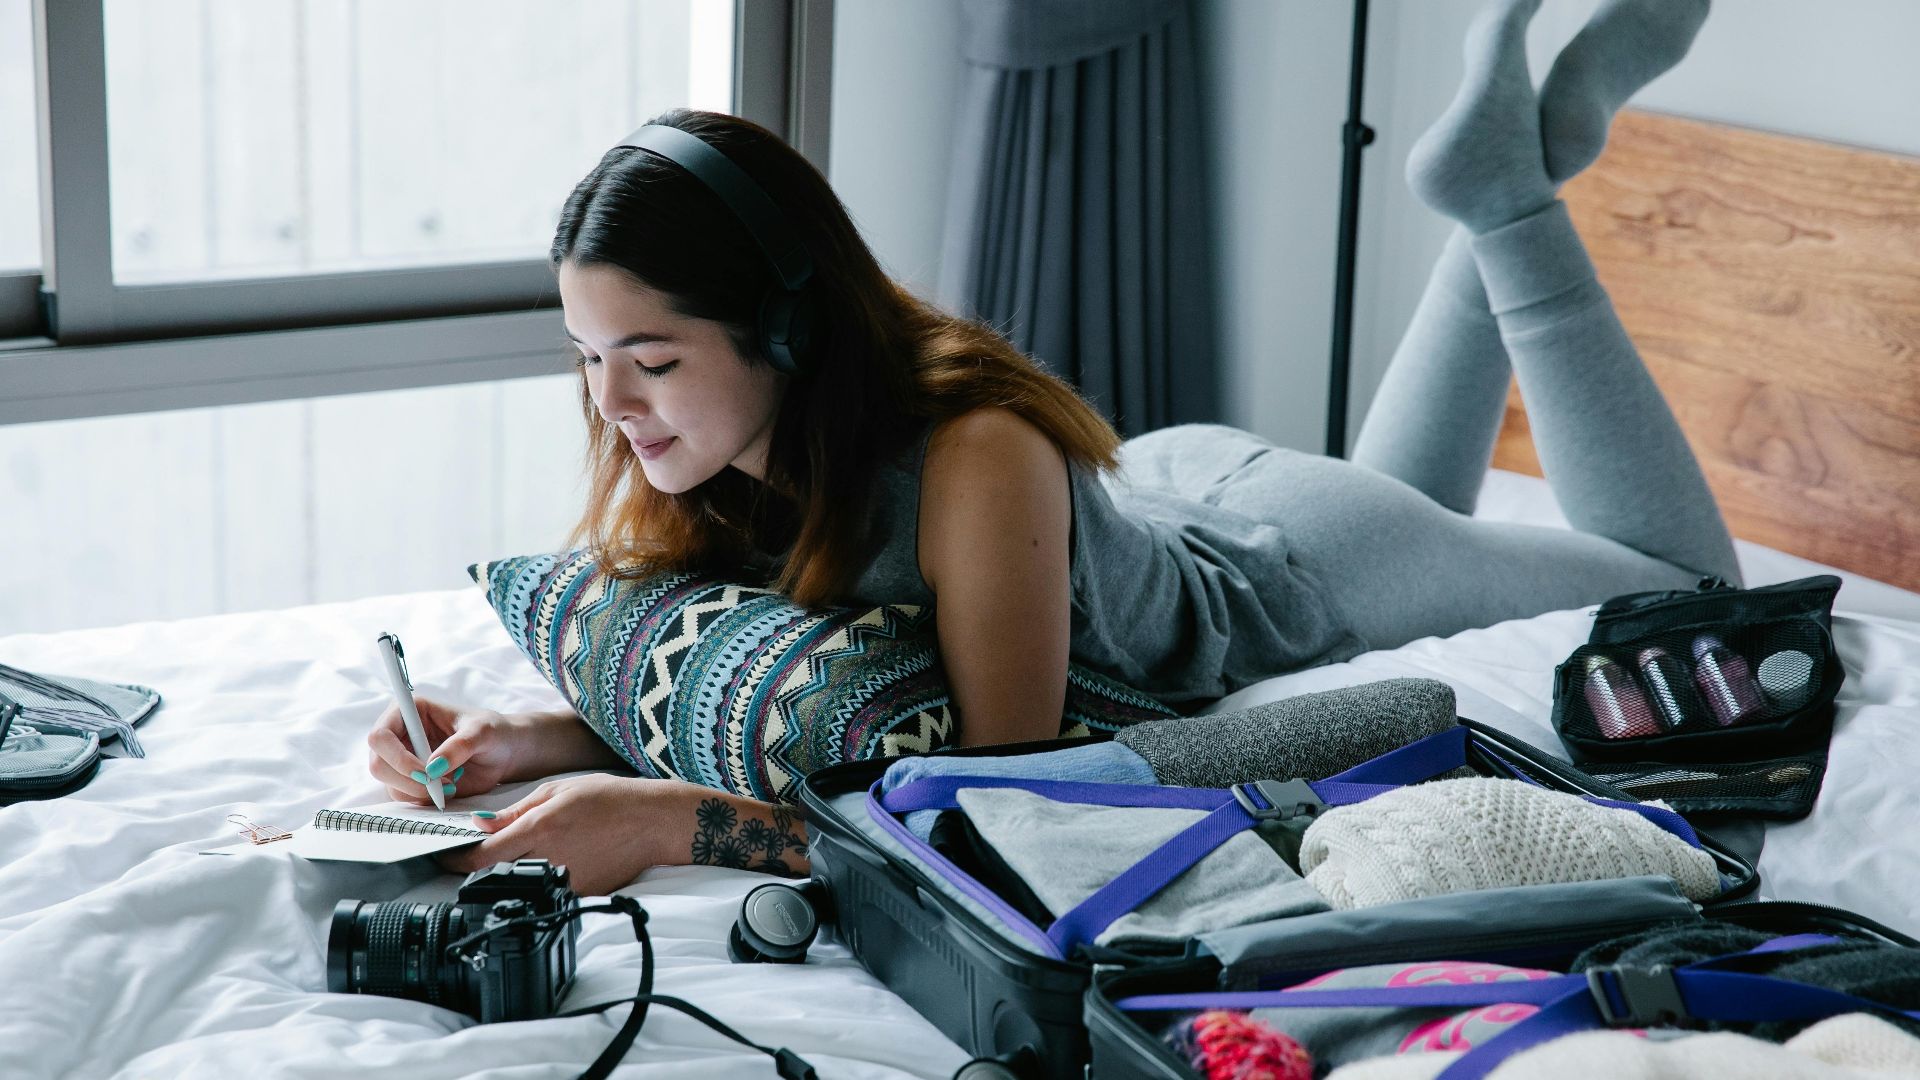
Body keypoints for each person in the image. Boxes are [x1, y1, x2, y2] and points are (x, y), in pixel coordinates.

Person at [368, 0, 1727, 895]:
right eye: (587, 358)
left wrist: (671, 819)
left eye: (653, 362)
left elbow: (994, 802)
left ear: (786, 329)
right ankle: (1501, 181)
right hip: (1172, 492)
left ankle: (1510, 210)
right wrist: (531, 736)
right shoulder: (728, 447)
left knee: (1682, 579)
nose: (614, 404)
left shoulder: (973, 451)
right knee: (1432, 509)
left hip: (1297, 566)